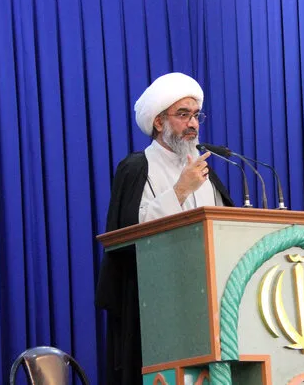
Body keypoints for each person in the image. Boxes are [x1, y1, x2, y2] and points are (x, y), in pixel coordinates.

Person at [95, 72, 234, 385]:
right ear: (159, 122)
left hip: (208, 300)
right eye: (183, 115)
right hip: (153, 302)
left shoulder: (204, 170)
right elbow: (130, 235)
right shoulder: (136, 168)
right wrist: (180, 191)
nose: (193, 124)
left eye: (196, 115)